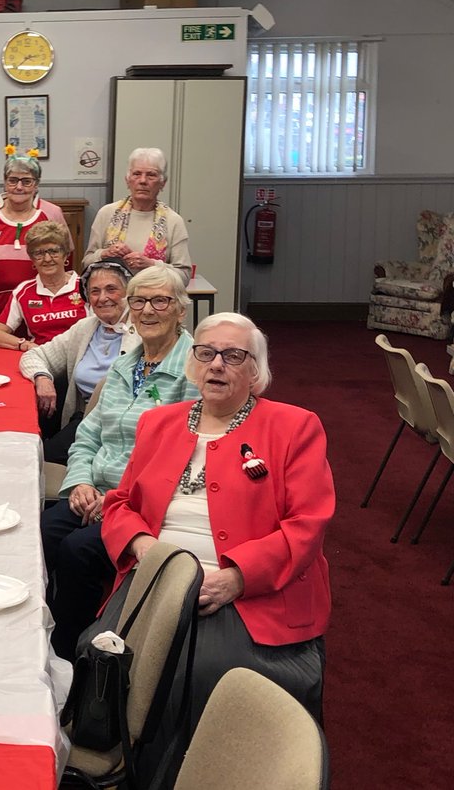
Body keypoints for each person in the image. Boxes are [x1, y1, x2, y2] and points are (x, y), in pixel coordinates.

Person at [103, 311, 331, 769]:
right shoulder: (158, 423)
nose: (217, 365)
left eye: (233, 356)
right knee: (106, 651)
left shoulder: (294, 426)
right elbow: (119, 505)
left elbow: (308, 523)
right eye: (206, 353)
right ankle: (126, 768)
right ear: (193, 363)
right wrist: (145, 549)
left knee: (207, 672)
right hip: (157, 576)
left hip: (247, 590)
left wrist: (236, 578)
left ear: (255, 370)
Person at [42, 263, 200, 659]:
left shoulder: (192, 372)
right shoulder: (125, 365)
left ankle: (71, 656)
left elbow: (180, 457)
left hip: (141, 504)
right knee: (41, 531)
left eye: (160, 301)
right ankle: (39, 633)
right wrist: (80, 482)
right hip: (94, 490)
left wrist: (114, 498)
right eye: (139, 301)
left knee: (77, 551)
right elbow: (88, 434)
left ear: (181, 310)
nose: (147, 310)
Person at [20, 259, 140, 462]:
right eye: (95, 291)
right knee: (31, 450)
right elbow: (34, 356)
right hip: (85, 420)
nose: (103, 298)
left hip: (123, 427)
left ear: (129, 292)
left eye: (111, 289)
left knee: (42, 459)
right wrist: (42, 377)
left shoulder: (143, 331)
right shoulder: (85, 328)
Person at [0, 150, 68, 344]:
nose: (19, 187)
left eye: (27, 181)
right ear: (4, 182)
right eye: (12, 180)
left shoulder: (52, 214)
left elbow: (65, 261)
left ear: (36, 184)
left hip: (39, 314)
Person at [81, 147, 192, 284]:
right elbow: (86, 263)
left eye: (151, 175)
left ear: (162, 183)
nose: (143, 180)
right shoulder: (107, 213)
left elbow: (184, 276)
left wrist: (151, 265)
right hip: (112, 295)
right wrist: (105, 253)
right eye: (137, 174)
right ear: (127, 180)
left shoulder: (173, 221)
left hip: (154, 295)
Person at [0, 220, 87, 352]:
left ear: (66, 255)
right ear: (32, 259)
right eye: (39, 253)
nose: (47, 259)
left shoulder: (86, 287)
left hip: (81, 356)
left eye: (54, 251)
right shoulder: (23, 292)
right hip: (41, 356)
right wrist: (26, 345)